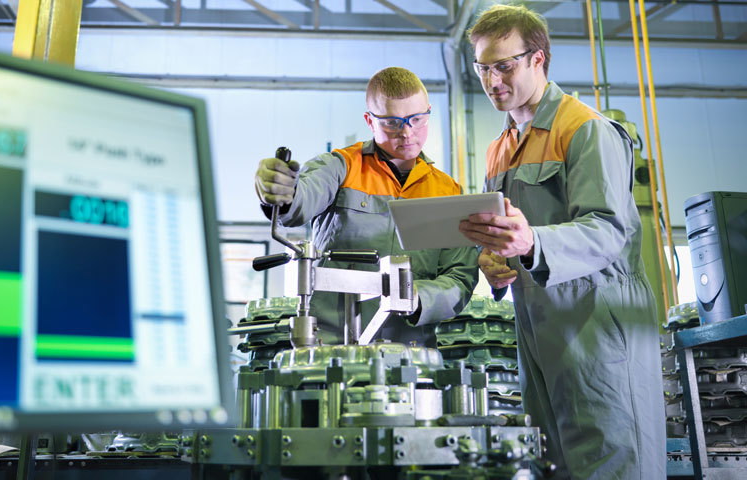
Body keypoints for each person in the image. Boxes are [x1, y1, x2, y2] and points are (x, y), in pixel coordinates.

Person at [458, 5, 665, 479]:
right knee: (553, 461)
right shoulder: (501, 145)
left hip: (596, 319)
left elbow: (609, 229)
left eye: (504, 65)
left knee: (610, 456)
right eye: (483, 68)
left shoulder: (585, 128)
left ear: (539, 59)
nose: (492, 81)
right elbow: (510, 238)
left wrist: (531, 245)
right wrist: (493, 259)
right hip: (535, 321)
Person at [255, 67, 478, 347]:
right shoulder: (341, 168)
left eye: (417, 119)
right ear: (369, 121)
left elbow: (460, 277)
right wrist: (279, 192)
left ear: (428, 113)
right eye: (392, 122)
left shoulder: (447, 191)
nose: (407, 133)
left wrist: (417, 297)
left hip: (411, 355)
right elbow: (300, 201)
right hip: (331, 349)